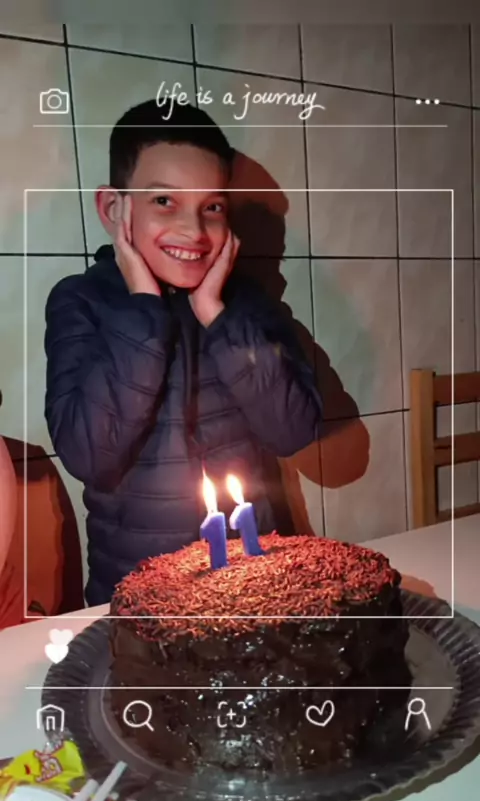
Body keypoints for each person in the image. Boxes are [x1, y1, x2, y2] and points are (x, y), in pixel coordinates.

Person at [44, 98, 323, 606]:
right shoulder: (81, 302)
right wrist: (144, 309)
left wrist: (217, 314)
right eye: (164, 201)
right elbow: (88, 454)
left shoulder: (245, 305)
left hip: (252, 586)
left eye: (211, 207)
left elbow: (294, 430)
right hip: (139, 597)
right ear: (114, 208)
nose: (194, 231)